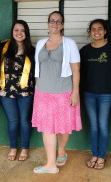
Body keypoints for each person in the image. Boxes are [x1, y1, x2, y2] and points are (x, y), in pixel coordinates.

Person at [32, 11, 82, 174]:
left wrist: (75, 92)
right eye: (52, 21)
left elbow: (76, 69)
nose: (55, 24)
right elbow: (38, 69)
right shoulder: (40, 43)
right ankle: (51, 164)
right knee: (47, 128)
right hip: (43, 92)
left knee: (63, 127)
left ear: (63, 25)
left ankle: (61, 150)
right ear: (48, 24)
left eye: (58, 21)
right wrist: (37, 89)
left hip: (63, 91)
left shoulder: (69, 43)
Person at [80, 19, 111, 170]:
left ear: (105, 31)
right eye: (93, 29)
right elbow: (78, 71)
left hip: (106, 94)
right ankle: (94, 154)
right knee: (93, 126)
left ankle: (102, 156)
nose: (96, 31)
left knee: (103, 125)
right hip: (88, 93)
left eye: (100, 29)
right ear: (90, 32)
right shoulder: (85, 51)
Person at [0, 20, 35, 162]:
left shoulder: (32, 50)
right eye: (16, 30)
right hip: (6, 92)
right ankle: (13, 147)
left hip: (26, 92)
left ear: (26, 33)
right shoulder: (3, 48)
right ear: (12, 32)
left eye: (22, 30)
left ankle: (25, 148)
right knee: (13, 121)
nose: (19, 33)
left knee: (25, 121)